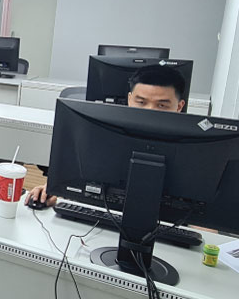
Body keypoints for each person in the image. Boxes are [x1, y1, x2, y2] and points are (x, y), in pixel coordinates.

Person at [25, 64, 187, 207]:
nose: (149, 111)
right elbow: (80, 178)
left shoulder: (191, 146)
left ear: (179, 107)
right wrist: (56, 190)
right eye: (141, 102)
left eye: (161, 105)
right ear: (129, 99)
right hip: (103, 216)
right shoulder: (102, 134)